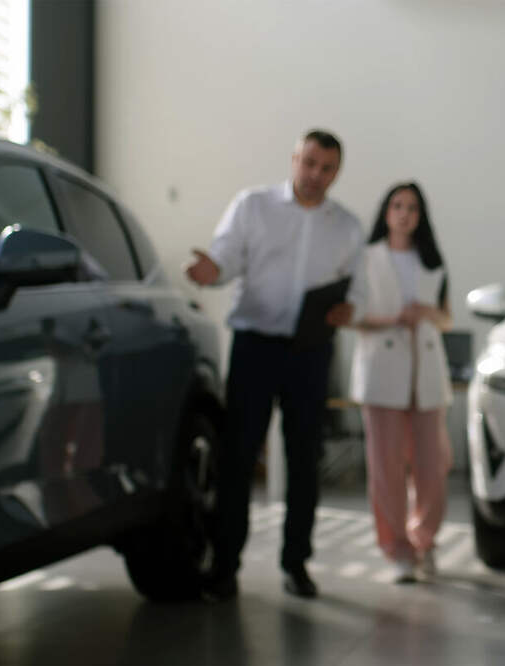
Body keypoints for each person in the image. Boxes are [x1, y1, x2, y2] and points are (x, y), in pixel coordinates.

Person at [185, 129, 365, 600]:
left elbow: (359, 292)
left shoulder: (347, 227)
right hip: (255, 348)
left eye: (326, 168)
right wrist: (210, 271)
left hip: (311, 352)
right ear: (294, 159)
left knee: (305, 458)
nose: (315, 175)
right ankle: (225, 564)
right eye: (309, 163)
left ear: (337, 173)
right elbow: (224, 258)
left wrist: (349, 310)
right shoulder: (253, 206)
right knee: (238, 455)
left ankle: (296, 562)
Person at [349, 182, 453, 583]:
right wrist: (394, 319)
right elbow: (353, 316)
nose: (404, 213)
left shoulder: (432, 261)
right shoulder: (366, 258)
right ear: (386, 211)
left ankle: (425, 540)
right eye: (397, 205)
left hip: (425, 372)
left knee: (432, 466)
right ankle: (397, 549)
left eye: (412, 207)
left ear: (420, 215)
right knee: (386, 468)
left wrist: (426, 313)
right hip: (382, 371)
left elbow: (446, 318)